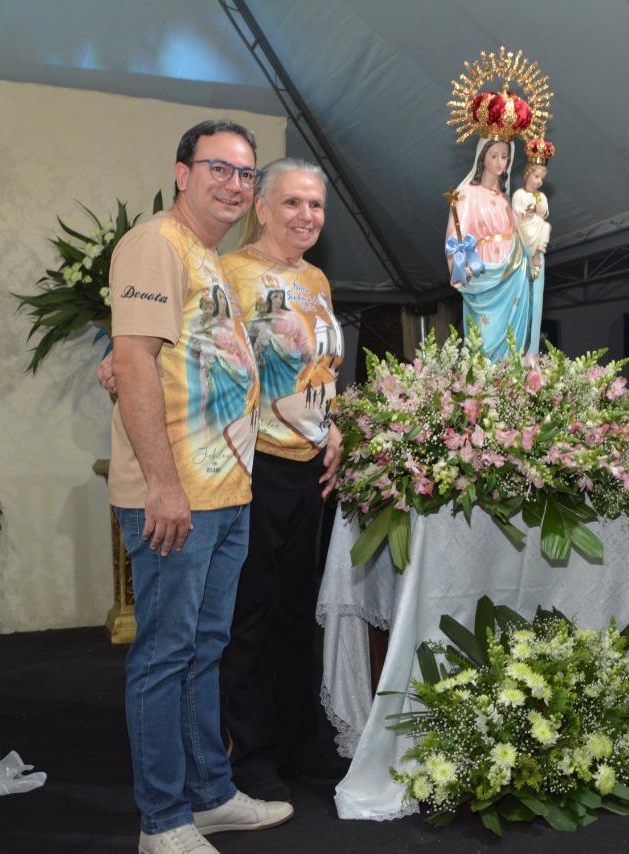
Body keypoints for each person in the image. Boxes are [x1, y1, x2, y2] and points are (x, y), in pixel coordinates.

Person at [107, 120, 292, 854]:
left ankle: (209, 795)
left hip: (224, 496)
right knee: (163, 655)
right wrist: (161, 484)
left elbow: (169, 357)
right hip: (175, 497)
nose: (234, 184)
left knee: (203, 647)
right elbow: (133, 359)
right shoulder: (157, 241)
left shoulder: (207, 257)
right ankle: (162, 821)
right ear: (182, 173)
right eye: (219, 168)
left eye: (246, 175)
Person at [217, 158, 345, 800]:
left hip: (312, 469)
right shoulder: (231, 274)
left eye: (316, 205)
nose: (306, 216)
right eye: (292, 203)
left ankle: (299, 739)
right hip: (254, 465)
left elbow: (319, 369)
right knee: (252, 610)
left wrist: (336, 431)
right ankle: (249, 749)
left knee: (301, 610)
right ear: (260, 208)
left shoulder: (317, 277)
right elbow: (216, 362)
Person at [446, 136, 543, 361]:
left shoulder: (507, 200)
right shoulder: (467, 195)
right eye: (494, 156)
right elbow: (455, 237)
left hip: (514, 273)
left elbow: (521, 236)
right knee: (484, 341)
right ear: (482, 157)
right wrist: (462, 266)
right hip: (484, 274)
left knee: (513, 343)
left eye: (505, 156)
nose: (500, 162)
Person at [512, 138, 555, 280]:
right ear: (527, 175)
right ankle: (531, 251)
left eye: (542, 179)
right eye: (536, 176)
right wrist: (527, 212)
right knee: (536, 225)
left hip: (537, 224)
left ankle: (539, 248)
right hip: (524, 226)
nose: (539, 181)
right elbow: (516, 213)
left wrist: (541, 210)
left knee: (546, 226)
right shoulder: (519, 194)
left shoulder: (540, 195)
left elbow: (545, 213)